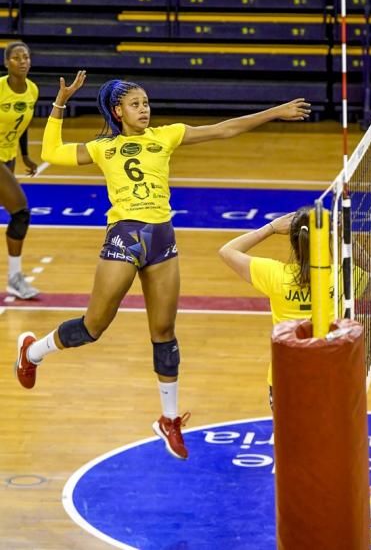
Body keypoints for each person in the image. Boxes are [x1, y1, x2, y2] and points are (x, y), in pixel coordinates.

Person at [15, 72, 310, 460]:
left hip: (162, 239)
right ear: (118, 111)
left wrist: (276, 111)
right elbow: (52, 151)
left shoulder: (166, 135)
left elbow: (223, 130)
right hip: (124, 235)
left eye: (146, 103)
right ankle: (33, 352)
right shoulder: (104, 147)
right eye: (136, 104)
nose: (145, 109)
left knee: (165, 331)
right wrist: (59, 103)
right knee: (94, 326)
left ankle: (169, 419)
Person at [218, 207, 370, 407]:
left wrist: (271, 228)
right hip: (331, 373)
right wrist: (343, 236)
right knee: (328, 437)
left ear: (293, 241)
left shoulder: (274, 275)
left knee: (291, 438)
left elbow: (227, 251)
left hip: (284, 378)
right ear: (327, 242)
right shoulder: (340, 277)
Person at [0, 41, 40, 300]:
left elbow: (22, 126)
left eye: (26, 56)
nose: (23, 61)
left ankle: (15, 277)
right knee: (20, 212)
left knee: (18, 214)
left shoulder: (32, 90)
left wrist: (24, 155)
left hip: (8, 157)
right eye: (16, 57)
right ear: (7, 63)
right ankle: (15, 278)